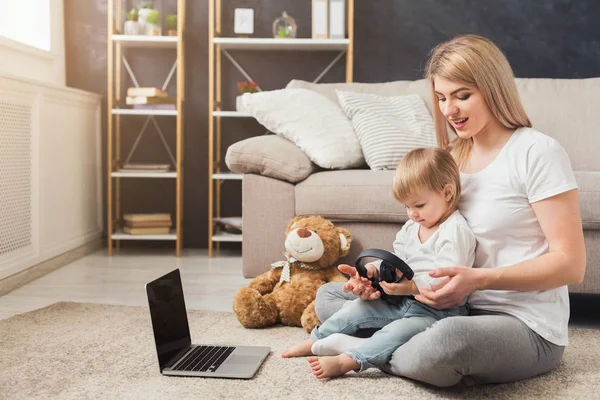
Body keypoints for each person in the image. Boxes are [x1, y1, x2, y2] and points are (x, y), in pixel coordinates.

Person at [305, 34, 586, 387]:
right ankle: (387, 344)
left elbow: (571, 265)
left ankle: (363, 348)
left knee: (448, 342)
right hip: (435, 309)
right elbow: (423, 252)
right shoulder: (450, 159)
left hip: (519, 322)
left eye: (462, 96)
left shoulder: (537, 153)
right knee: (330, 297)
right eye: (441, 97)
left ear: (493, 89)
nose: (449, 110)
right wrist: (382, 284)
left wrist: (479, 280)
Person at [282, 147, 476, 379]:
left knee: (396, 332)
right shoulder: (412, 227)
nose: (412, 214)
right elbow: (397, 259)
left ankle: (349, 360)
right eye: (407, 207)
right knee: (355, 308)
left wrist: (411, 287)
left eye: (419, 205)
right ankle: (316, 339)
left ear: (447, 193)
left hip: (438, 312)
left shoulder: (455, 231)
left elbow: (447, 278)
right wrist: (374, 271)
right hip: (402, 300)